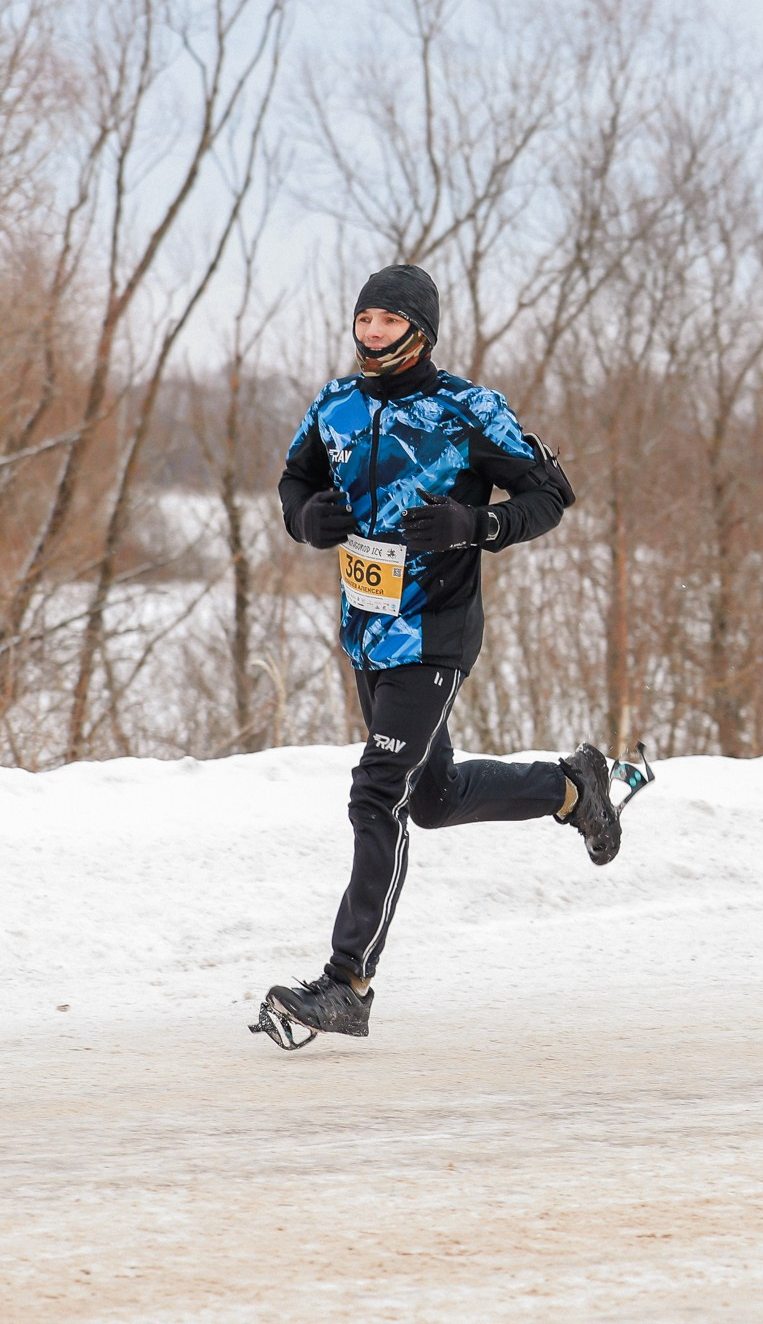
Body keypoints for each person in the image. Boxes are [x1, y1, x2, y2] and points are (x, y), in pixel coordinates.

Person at [252, 263, 621, 1048]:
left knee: (377, 791)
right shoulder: (337, 404)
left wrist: (473, 526)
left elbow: (551, 496)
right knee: (433, 796)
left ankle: (347, 983)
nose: (372, 334)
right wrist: (304, 520)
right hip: (368, 630)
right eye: (364, 321)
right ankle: (570, 788)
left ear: (420, 329)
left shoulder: (468, 409)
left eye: (387, 322)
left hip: (437, 631)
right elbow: (294, 480)